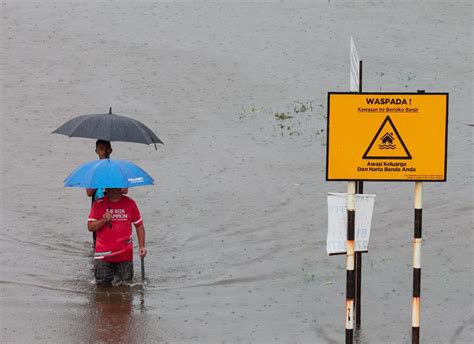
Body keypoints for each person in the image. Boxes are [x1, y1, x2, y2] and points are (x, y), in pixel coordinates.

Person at [88, 188, 147, 285]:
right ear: (107, 188)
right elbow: (90, 227)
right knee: (102, 289)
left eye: (118, 187)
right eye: (112, 187)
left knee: (126, 287)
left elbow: (139, 225)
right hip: (103, 256)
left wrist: (142, 246)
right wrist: (103, 220)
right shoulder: (98, 204)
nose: (115, 190)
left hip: (125, 255)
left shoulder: (130, 203)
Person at [87, 140, 128, 245]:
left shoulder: (115, 168)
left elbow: (125, 190)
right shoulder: (94, 169)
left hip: (113, 206)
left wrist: (112, 185)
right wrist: (100, 179)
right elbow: (89, 192)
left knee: (113, 236)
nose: (102, 152)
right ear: (96, 151)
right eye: (99, 149)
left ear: (110, 151)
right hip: (97, 207)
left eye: (104, 149)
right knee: (97, 239)